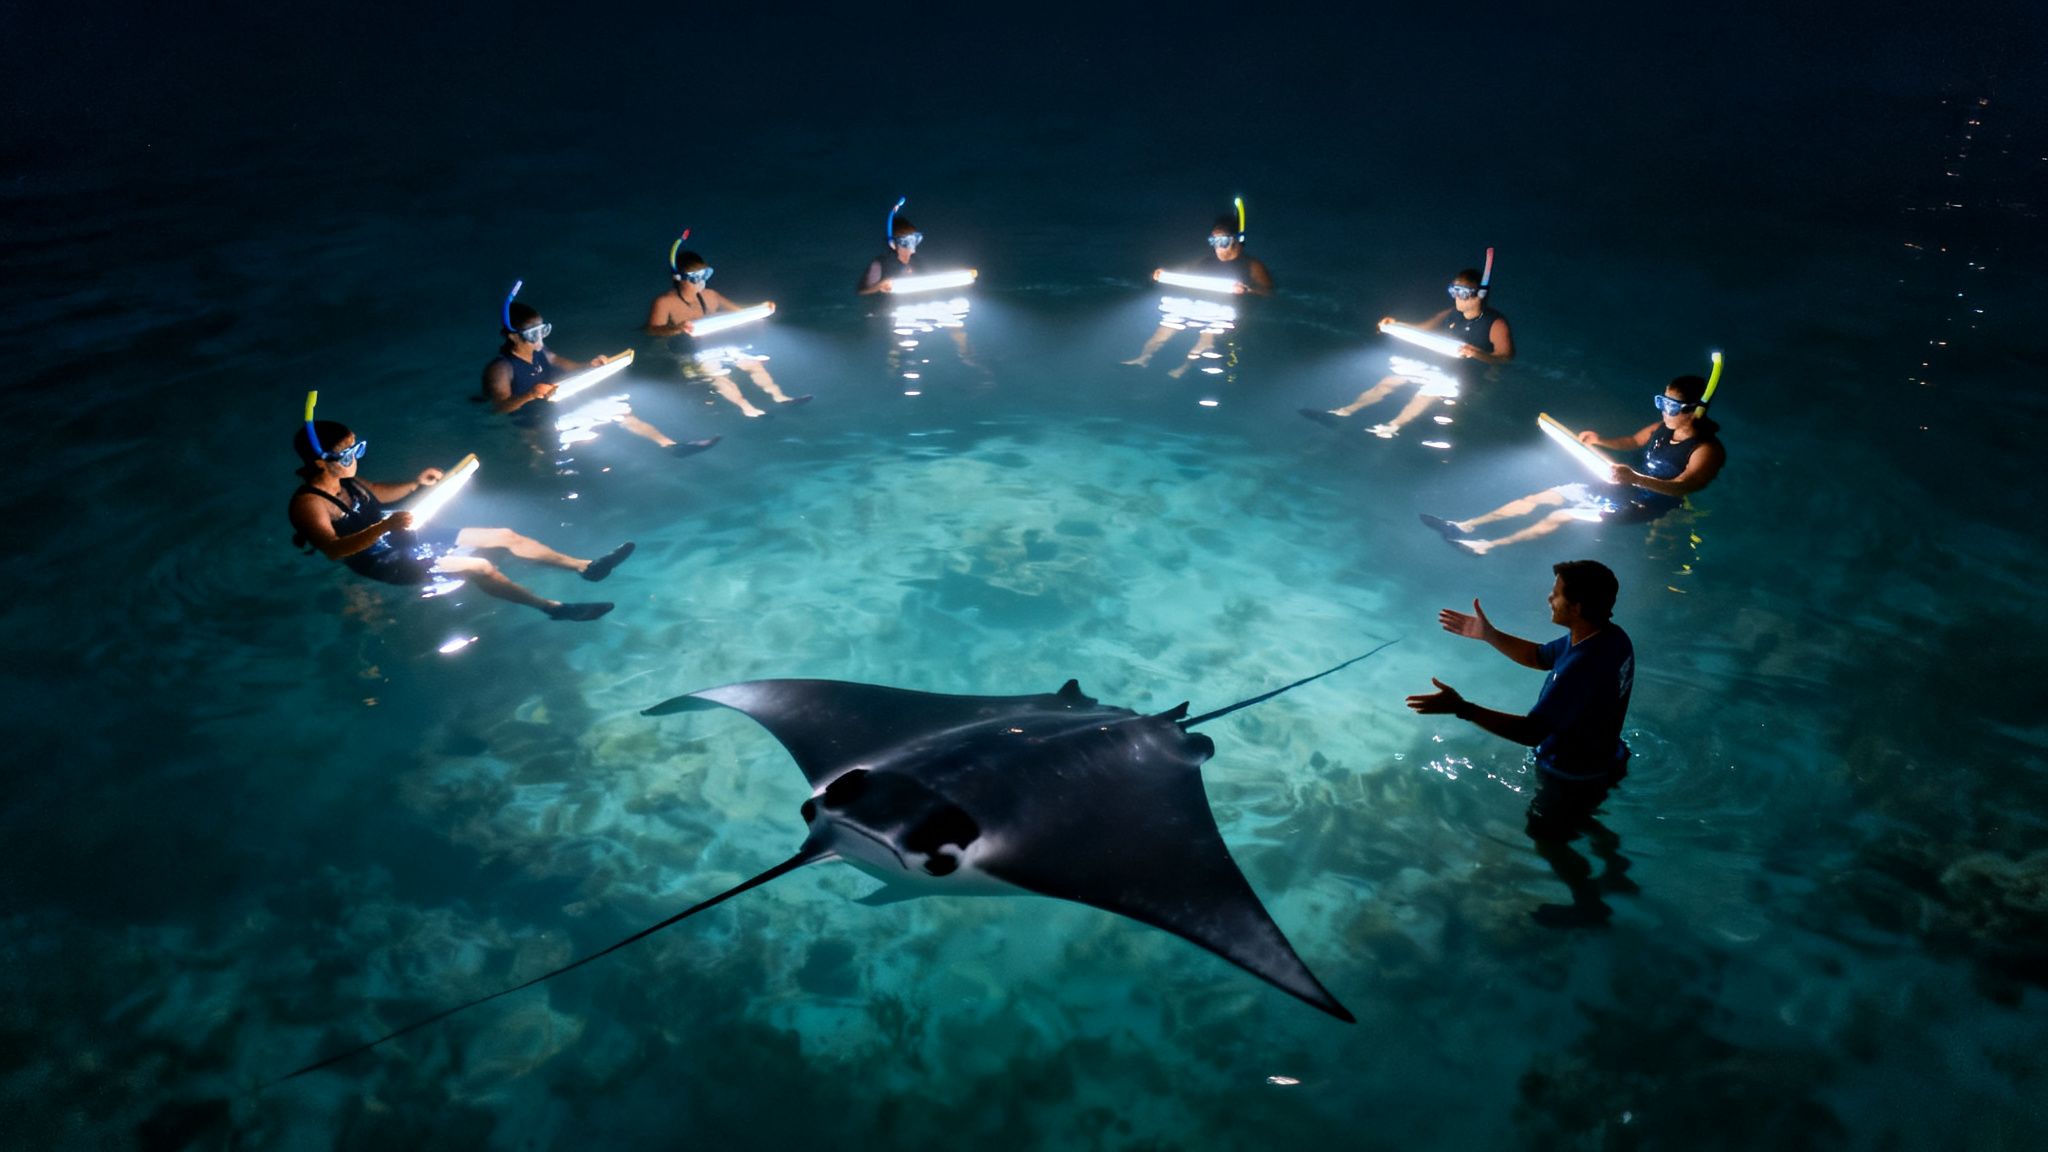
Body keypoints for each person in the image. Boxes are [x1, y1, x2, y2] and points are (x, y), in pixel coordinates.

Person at [1405, 560, 1636, 926]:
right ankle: (1616, 868)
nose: (1549, 598)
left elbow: (1532, 731)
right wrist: (1488, 634)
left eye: (1556, 593)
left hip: (1572, 775)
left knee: (1544, 836)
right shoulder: (1610, 637)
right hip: (1608, 759)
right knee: (1588, 816)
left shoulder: (1584, 666)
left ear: (1575, 607)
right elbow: (1540, 656)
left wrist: (1462, 708)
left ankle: (1589, 903)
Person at [287, 419, 632, 621]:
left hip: (402, 532)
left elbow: (376, 490)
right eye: (348, 454)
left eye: (357, 449)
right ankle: (553, 608)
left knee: (505, 535)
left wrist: (414, 484)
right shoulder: (309, 505)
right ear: (320, 462)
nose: (355, 459)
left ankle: (586, 567)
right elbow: (333, 550)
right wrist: (384, 528)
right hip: (379, 558)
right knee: (479, 566)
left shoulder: (347, 478)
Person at [1421, 373, 1725, 555]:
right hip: (1624, 484)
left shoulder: (1706, 450)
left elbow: (1686, 486)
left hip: (1649, 504)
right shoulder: (1662, 428)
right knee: (1544, 496)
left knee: (1562, 515)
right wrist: (1601, 441)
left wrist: (1635, 480)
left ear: (1694, 411)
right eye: (1661, 402)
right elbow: (1633, 441)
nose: (1663, 412)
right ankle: (1464, 525)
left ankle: (1488, 545)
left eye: (1671, 406)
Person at [483, 301, 718, 455]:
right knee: (548, 451)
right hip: (532, 422)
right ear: (514, 337)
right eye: (533, 334)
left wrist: (591, 365)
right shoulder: (501, 368)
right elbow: (500, 408)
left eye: (543, 330)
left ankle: (670, 445)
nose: (540, 338)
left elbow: (571, 367)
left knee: (623, 413)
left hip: (557, 407)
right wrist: (530, 394)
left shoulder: (542, 352)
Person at [1302, 267, 1513, 437]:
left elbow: (1505, 356)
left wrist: (1477, 354)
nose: (1456, 298)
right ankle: (1345, 411)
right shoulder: (1451, 313)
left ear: (1479, 296)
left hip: (1468, 374)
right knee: (1389, 380)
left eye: (1463, 293)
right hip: (1442, 363)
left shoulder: (1495, 323)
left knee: (1424, 394)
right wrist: (1395, 325)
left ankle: (1392, 427)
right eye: (1453, 290)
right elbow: (1423, 328)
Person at [647, 247, 810, 418]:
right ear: (680, 279)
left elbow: (739, 313)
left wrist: (760, 309)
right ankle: (747, 408)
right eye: (696, 277)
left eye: (705, 275)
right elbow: (653, 330)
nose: (701, 281)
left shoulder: (711, 295)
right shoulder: (665, 302)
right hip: (693, 351)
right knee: (720, 376)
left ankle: (779, 397)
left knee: (753, 365)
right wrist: (678, 328)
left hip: (718, 343)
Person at [1124, 213, 1274, 377]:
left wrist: (1247, 290)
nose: (1217, 246)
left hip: (1224, 311)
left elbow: (1268, 291)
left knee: (1205, 339)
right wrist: (1163, 273)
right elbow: (1183, 269)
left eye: (1222, 241)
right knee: (1164, 329)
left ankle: (1183, 369)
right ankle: (1142, 359)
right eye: (1213, 241)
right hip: (1198, 303)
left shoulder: (1252, 265)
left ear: (1236, 240)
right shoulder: (1205, 261)